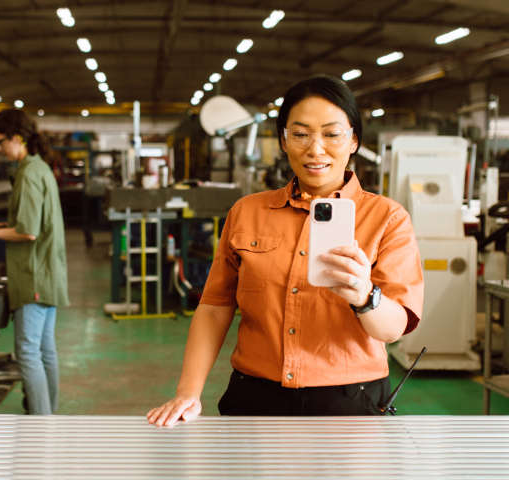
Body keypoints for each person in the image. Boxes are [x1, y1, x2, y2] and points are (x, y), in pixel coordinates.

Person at [147, 74, 424, 426]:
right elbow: (215, 307)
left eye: (331, 133)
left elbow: (393, 328)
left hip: (350, 402)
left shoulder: (387, 218)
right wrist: (188, 391)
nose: (315, 148)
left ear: (353, 140)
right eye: (301, 133)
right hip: (254, 397)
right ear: (283, 140)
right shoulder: (246, 212)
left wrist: (364, 295)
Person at [0, 108, 69, 415]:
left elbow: (28, 232)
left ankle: (40, 423)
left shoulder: (29, 173)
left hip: (33, 275)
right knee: (44, 349)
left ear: (17, 138)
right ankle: (48, 413)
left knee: (28, 352)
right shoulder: (38, 168)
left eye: (0, 142)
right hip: (47, 273)